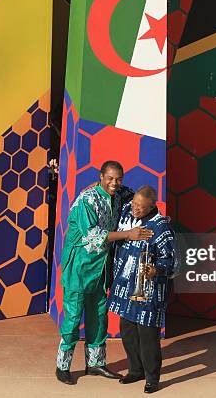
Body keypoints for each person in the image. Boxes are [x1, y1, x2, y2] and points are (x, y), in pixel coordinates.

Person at [56, 161, 154, 385]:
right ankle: (63, 366)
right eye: (110, 178)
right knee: (72, 318)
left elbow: (142, 197)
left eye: (118, 178)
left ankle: (96, 364)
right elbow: (92, 235)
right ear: (101, 176)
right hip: (79, 267)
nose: (114, 183)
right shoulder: (86, 200)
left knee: (99, 317)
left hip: (101, 268)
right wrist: (128, 234)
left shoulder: (121, 194)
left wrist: (157, 219)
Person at [108, 185, 178, 394]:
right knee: (128, 332)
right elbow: (117, 188)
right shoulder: (127, 211)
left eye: (141, 207)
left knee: (148, 337)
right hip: (126, 288)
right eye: (135, 204)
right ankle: (135, 370)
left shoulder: (162, 228)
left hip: (149, 291)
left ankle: (152, 378)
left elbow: (174, 262)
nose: (135, 209)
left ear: (152, 206)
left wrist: (156, 269)